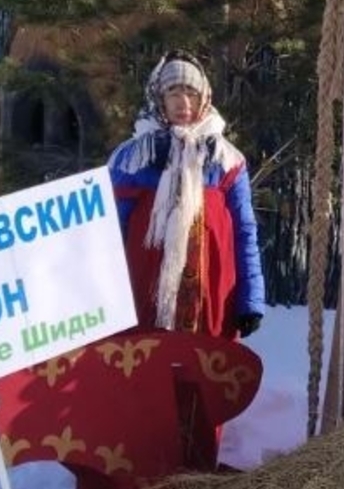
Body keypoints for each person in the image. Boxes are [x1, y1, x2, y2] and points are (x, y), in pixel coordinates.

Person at [107, 56, 265, 340]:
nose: (183, 103)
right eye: (173, 92)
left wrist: (250, 301)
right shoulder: (131, 159)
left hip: (210, 297)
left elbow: (244, 232)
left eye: (191, 92)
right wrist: (103, 296)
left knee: (204, 374)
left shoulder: (226, 161)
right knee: (143, 373)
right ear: (159, 97)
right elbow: (110, 232)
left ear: (203, 96)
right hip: (143, 293)